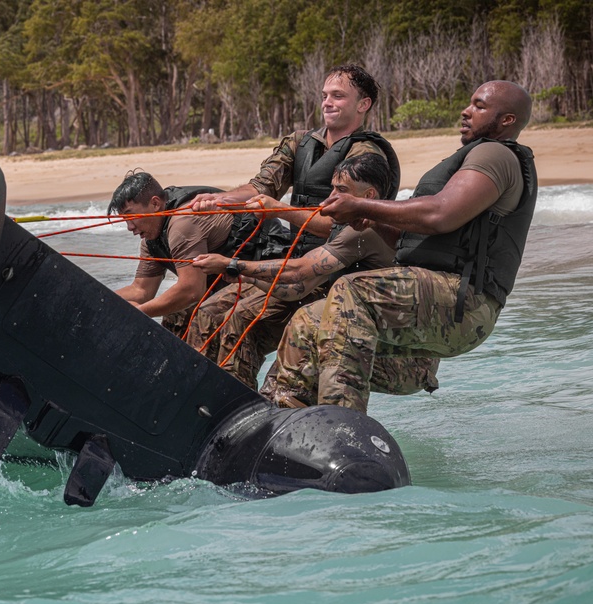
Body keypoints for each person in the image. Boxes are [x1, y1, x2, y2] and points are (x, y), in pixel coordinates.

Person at [264, 80, 536, 413]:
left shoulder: (496, 154)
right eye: (470, 103)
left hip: (465, 302)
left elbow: (439, 215)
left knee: (353, 291)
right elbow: (419, 239)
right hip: (434, 297)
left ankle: (342, 422)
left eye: (479, 106)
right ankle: (279, 414)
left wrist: (363, 207)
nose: (466, 111)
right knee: (308, 322)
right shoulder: (474, 156)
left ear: (507, 120)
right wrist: (374, 222)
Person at [184, 64, 400, 389]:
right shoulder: (300, 142)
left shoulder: (366, 158)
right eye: (325, 95)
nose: (327, 102)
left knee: (240, 322)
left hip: (333, 274)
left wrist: (281, 212)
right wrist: (221, 200)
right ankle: (199, 394)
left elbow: (342, 227)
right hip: (291, 265)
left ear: (363, 104)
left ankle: (239, 406)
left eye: (338, 96)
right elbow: (261, 188)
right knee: (209, 312)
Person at [192, 154, 439, 399]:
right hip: (376, 342)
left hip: (408, 362)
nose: (330, 197)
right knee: (280, 378)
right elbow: (296, 289)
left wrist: (234, 264)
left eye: (341, 190)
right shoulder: (351, 228)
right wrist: (244, 275)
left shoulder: (365, 233)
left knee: (292, 368)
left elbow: (298, 270)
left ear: (369, 196)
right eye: (332, 188)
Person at [109, 170, 238, 337]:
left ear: (155, 204)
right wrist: (97, 298)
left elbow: (192, 290)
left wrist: (140, 311)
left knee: (205, 314)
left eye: (131, 216)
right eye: (125, 220)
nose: (130, 227)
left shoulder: (182, 223)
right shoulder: (152, 238)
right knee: (175, 313)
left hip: (262, 274)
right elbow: (141, 291)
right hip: (226, 285)